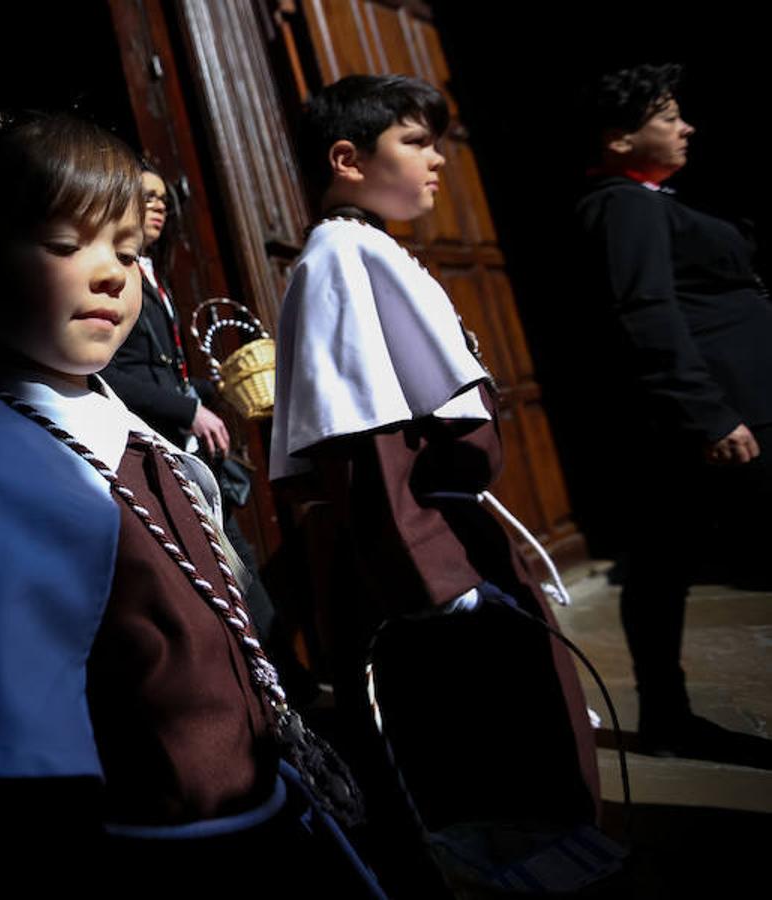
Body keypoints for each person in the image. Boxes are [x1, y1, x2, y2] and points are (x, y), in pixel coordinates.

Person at [0, 113, 381, 885]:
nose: (110, 273)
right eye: (67, 246)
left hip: (256, 814)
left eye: (128, 252)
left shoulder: (124, 433)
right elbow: (7, 776)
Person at [269, 74, 601, 892]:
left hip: (443, 530)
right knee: (453, 753)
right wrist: (432, 574)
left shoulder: (371, 247)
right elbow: (365, 431)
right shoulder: (338, 259)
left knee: (506, 740)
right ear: (346, 159)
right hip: (416, 553)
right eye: (415, 142)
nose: (438, 161)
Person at [575, 63, 772, 762]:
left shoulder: (649, 202)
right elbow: (646, 311)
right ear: (621, 139)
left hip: (725, 408)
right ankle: (667, 712)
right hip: (721, 419)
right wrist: (707, 414)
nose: (686, 127)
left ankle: (666, 713)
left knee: (662, 560)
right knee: (663, 559)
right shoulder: (624, 206)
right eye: (667, 117)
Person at [100, 159, 276, 639]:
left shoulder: (155, 272)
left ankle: (280, 677)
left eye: (162, 198)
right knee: (221, 572)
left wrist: (208, 391)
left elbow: (159, 368)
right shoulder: (114, 273)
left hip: (183, 446)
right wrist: (188, 409)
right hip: (151, 446)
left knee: (238, 565)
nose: (157, 206)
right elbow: (111, 371)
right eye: (146, 196)